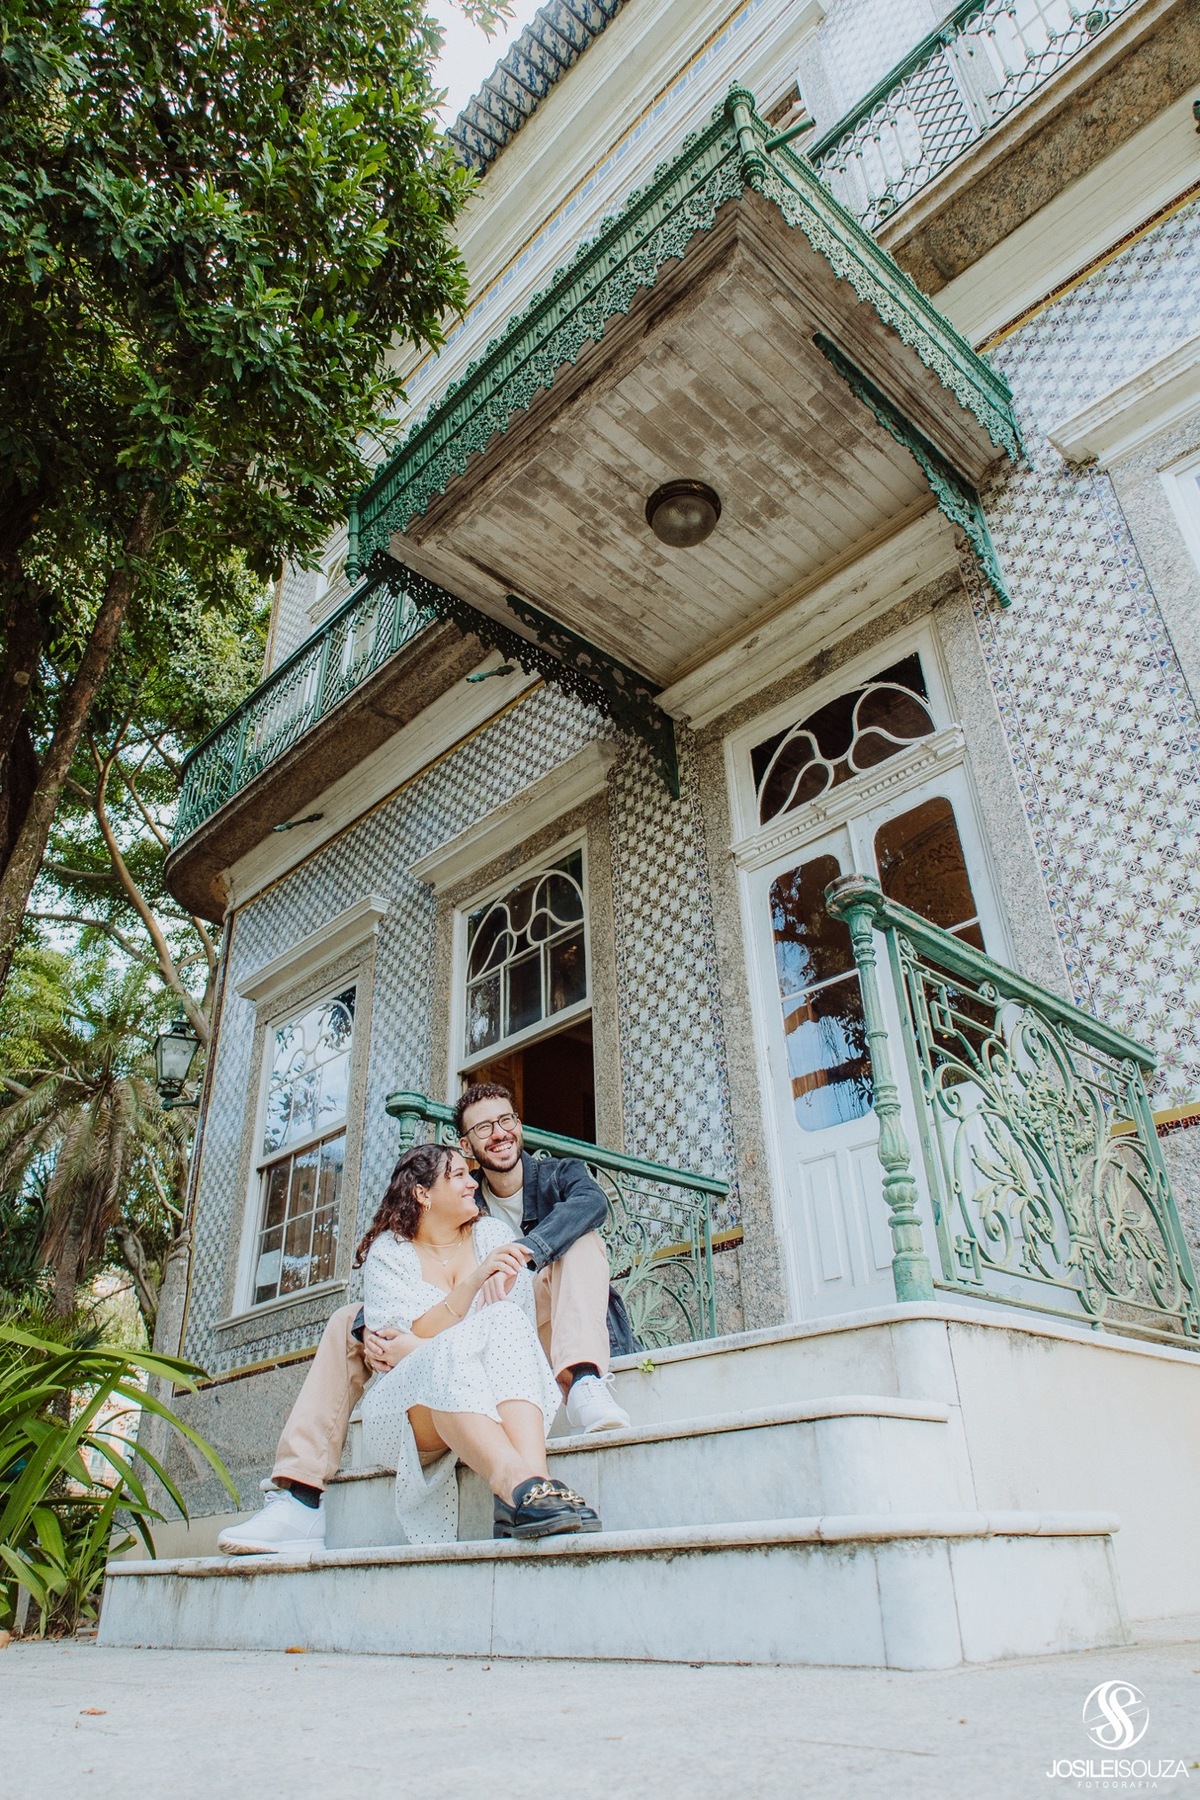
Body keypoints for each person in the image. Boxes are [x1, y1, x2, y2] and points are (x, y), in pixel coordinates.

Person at [218, 1082, 633, 1555]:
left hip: (534, 1329)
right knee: (345, 1323)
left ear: (519, 1126)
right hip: (460, 1343)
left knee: (580, 1245)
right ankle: (299, 1494)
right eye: (482, 1129)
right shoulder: (433, 1226)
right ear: (466, 1146)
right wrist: (377, 1333)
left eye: (505, 1122)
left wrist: (526, 1253)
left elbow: (589, 1208)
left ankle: (582, 1381)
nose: (497, 1135)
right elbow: (410, 1300)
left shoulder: (551, 1178)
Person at [356, 1141, 599, 1542]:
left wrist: (418, 1344)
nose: (473, 1183)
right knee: (450, 1360)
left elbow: (512, 1339)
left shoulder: (492, 1234)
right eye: (458, 1176)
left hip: (484, 1393)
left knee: (502, 1317)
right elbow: (392, 1354)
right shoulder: (390, 1252)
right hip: (406, 1414)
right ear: (422, 1193)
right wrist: (473, 1281)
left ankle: (532, 1487)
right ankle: (513, 1480)